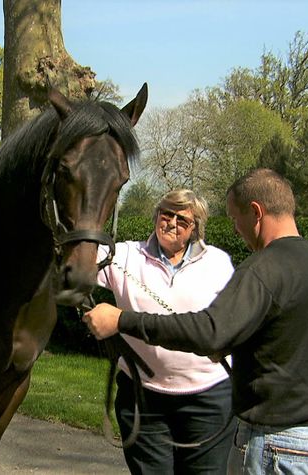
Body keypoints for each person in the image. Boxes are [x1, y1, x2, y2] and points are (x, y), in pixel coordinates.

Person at [85, 169, 308, 474]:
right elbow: (276, 333)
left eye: (236, 218)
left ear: (256, 212)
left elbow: (210, 331)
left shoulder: (262, 267)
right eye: (167, 214)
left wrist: (122, 320)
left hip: (277, 441)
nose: (236, 229)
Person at [95, 189, 235, 474]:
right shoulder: (124, 255)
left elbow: (228, 326)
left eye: (182, 220)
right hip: (143, 398)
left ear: (195, 227)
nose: (171, 223)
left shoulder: (218, 263)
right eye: (165, 214)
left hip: (209, 400)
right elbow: (75, 256)